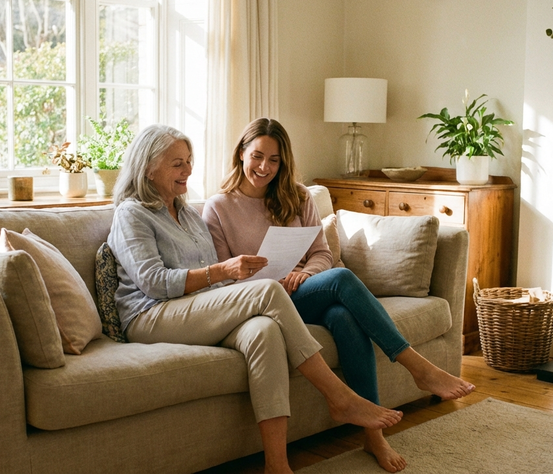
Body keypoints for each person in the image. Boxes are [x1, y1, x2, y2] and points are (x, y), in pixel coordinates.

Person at [107, 124, 403, 474]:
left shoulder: (185, 212)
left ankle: (276, 465)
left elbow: (212, 282)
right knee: (267, 291)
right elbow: (153, 282)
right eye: (177, 164)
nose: (187, 170)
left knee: (264, 330)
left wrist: (228, 284)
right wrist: (224, 272)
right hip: (151, 315)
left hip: (195, 309)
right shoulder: (132, 213)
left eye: (189, 161)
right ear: (148, 167)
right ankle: (339, 396)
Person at [202, 118, 476, 473]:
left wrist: (306, 273)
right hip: (261, 303)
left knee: (344, 318)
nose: (265, 167)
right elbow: (223, 281)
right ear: (241, 153)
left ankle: (373, 436)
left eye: (274, 160)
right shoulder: (218, 207)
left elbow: (321, 253)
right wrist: (262, 278)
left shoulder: (297, 196)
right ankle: (417, 367)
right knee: (343, 279)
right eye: (257, 156)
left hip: (302, 292)